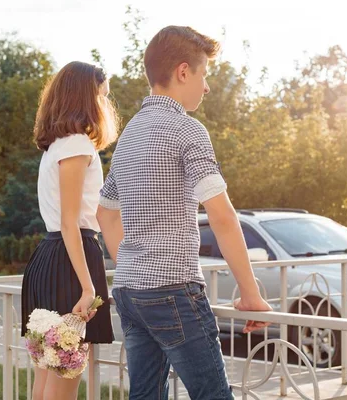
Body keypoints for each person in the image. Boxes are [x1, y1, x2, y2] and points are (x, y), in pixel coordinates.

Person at [97, 26, 272, 399]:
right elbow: (222, 216)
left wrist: (133, 262)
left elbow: (105, 214)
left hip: (130, 289)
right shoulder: (187, 130)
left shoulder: (129, 135)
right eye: (204, 74)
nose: (206, 87)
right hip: (173, 289)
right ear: (182, 72)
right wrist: (250, 293)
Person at [21, 61, 118, 400]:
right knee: (63, 376)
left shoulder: (55, 147)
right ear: (86, 97)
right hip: (69, 261)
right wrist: (88, 285)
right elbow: (70, 222)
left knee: (49, 373)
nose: (104, 105)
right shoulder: (76, 144)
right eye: (101, 96)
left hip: (52, 257)